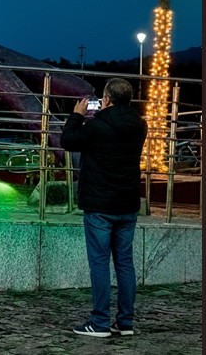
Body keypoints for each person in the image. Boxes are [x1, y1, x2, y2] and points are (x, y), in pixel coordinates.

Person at [60, 78, 147, 338]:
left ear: (106, 99)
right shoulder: (140, 125)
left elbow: (67, 141)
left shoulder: (96, 126)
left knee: (99, 263)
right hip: (127, 203)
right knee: (125, 264)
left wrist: (77, 116)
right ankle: (125, 322)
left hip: (99, 205)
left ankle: (99, 322)